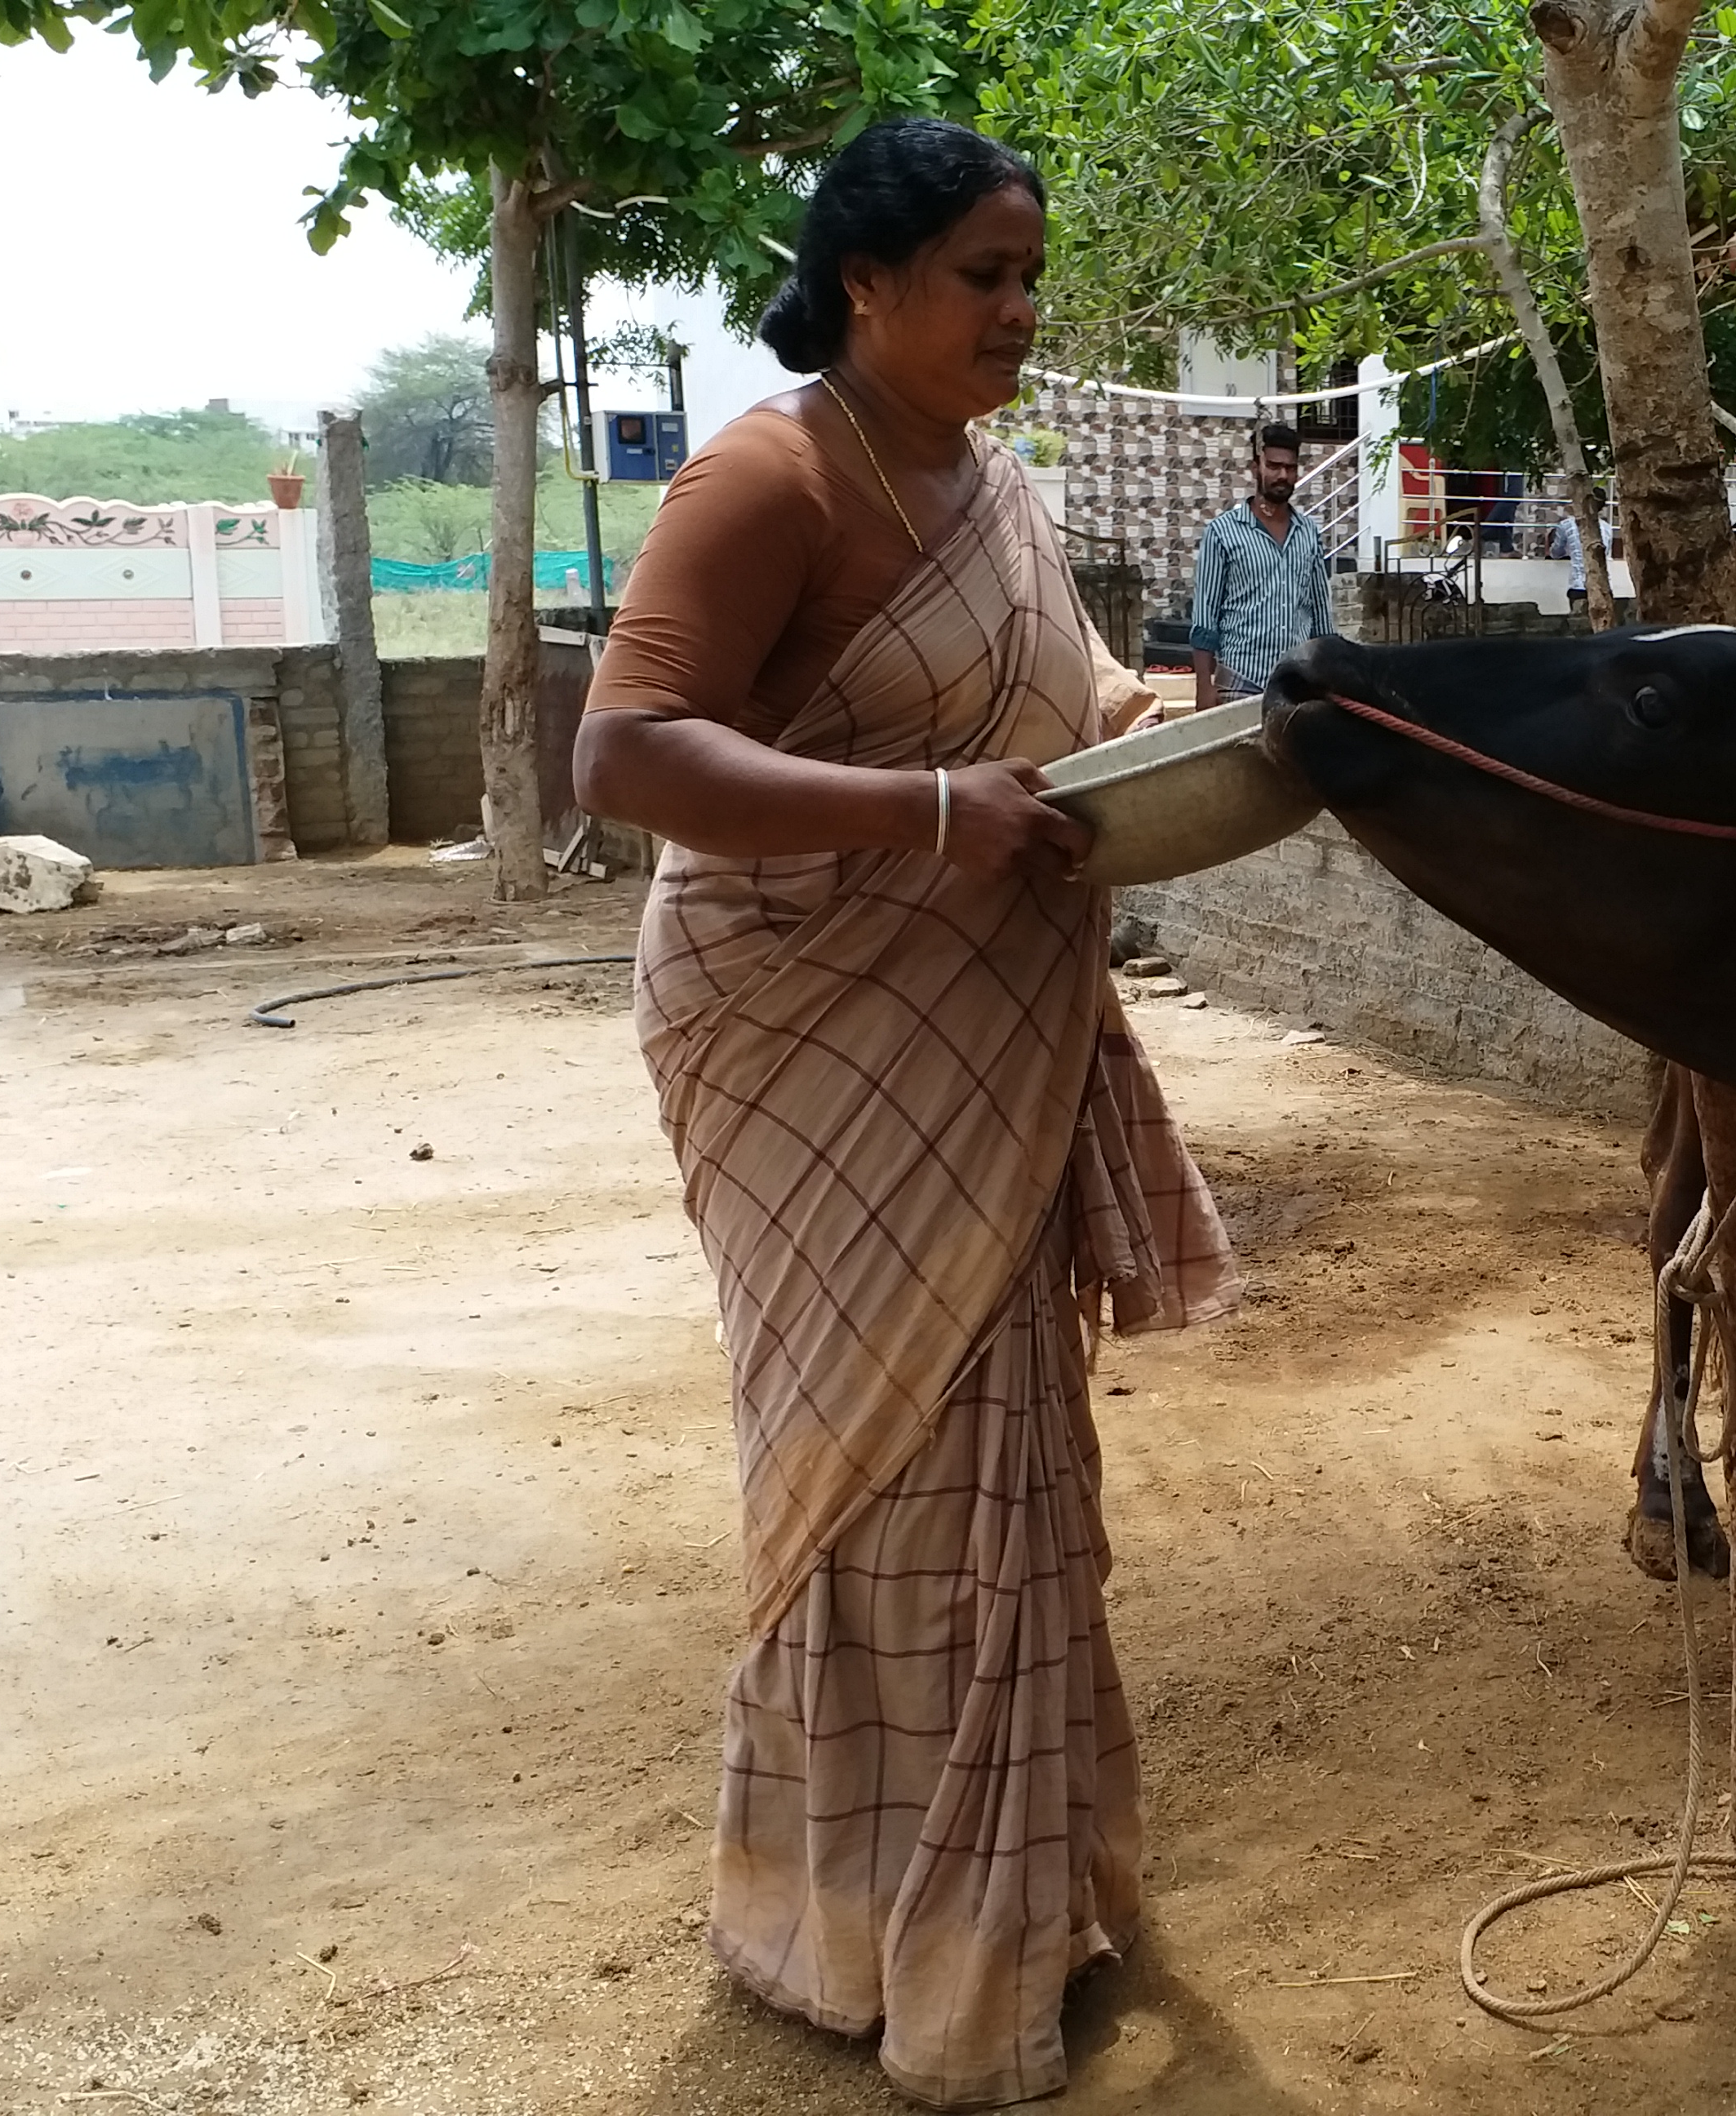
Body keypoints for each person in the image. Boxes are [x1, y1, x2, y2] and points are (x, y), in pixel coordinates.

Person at [569, 117, 1234, 2110]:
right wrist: (934, 813)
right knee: (878, 1470)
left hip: (977, 1019)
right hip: (803, 1027)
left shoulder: (995, 483)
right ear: (866, 282)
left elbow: (1042, 690)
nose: (1021, 315)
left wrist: (1137, 713)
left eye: (1032, 277)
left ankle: (1005, 1909)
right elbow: (625, 749)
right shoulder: (771, 474)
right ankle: (851, 1923)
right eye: (984, 277)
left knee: (1005, 1459)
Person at [1185, 420, 1336, 710]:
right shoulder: (1222, 532)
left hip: (1296, 683)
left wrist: (1327, 677)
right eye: (1274, 466)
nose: (1283, 475)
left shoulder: (1308, 532)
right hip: (1240, 683)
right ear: (1256, 468)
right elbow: (1205, 619)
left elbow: (1320, 617)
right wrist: (1204, 687)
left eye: (1290, 468)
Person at [1547, 501, 1617, 616]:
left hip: (1578, 585)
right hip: (1602, 585)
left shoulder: (1566, 525)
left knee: (1578, 623)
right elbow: (1606, 553)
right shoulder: (1607, 528)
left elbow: (1556, 552)